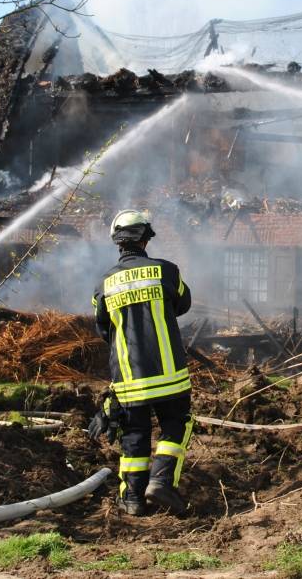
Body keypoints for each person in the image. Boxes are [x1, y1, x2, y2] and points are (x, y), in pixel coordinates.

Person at [92, 209, 194, 516]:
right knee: (177, 424)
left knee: (134, 435)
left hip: (128, 380)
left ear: (117, 242)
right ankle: (161, 481)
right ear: (145, 239)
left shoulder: (105, 284)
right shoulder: (167, 272)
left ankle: (133, 499)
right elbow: (183, 304)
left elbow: (103, 328)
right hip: (170, 375)